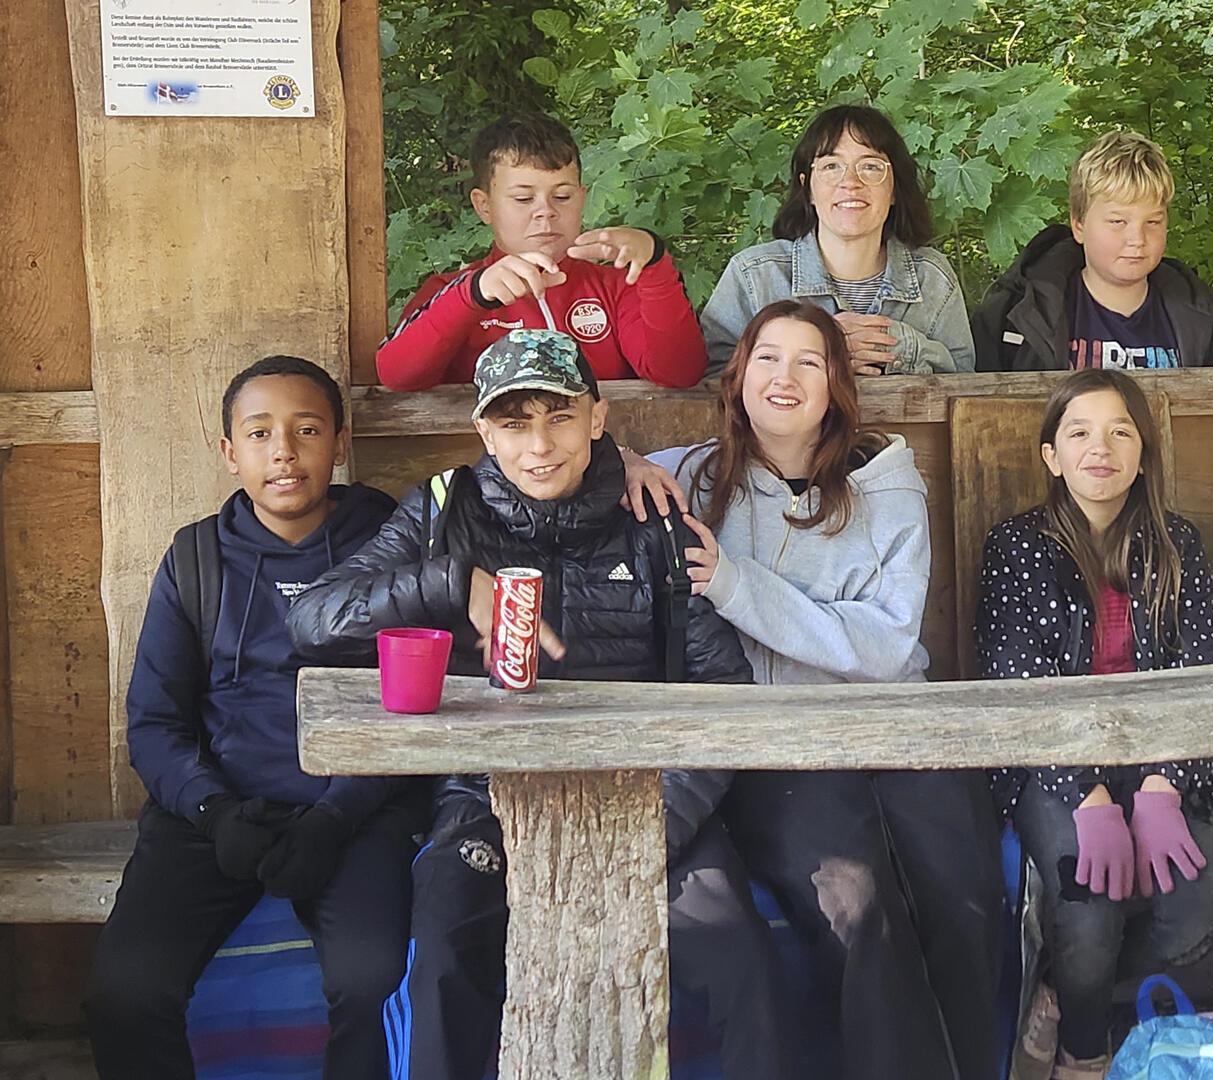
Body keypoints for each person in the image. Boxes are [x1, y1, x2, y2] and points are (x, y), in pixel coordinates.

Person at [288, 330, 793, 1080]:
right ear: (485, 432)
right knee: (444, 960)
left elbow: (721, 689)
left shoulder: (651, 523)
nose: (540, 445)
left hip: (646, 796)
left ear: (596, 419)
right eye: (515, 424)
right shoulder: (442, 509)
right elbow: (311, 621)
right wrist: (450, 583)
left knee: (744, 965)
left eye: (559, 418)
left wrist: (662, 818)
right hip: (484, 797)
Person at [650, 300, 1002, 1079]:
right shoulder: (685, 477)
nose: (785, 377)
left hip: (895, 724)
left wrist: (738, 587)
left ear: (836, 385)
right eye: (767, 358)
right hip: (778, 745)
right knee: (856, 901)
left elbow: (883, 646)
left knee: (966, 896)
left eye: (809, 361)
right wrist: (626, 463)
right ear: (738, 376)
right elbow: (555, 461)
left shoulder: (888, 488)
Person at [87, 356, 419, 1080]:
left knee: (371, 979)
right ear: (229, 451)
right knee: (126, 989)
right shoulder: (197, 558)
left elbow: (420, 706)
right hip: (216, 814)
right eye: (260, 433)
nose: (285, 453)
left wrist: (337, 817)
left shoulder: (391, 545)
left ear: (340, 439)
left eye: (306, 430)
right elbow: (154, 721)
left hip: (352, 810)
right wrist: (213, 811)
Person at [974, 367, 1213, 1080]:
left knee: (1195, 910)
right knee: (1088, 912)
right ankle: (1082, 1057)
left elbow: (1204, 669)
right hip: (1053, 765)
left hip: (1157, 757)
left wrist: (1163, 784)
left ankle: (1059, 992)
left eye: (1121, 431)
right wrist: (1084, 793)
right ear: (1052, 456)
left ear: (1143, 454)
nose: (1102, 448)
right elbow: (1013, 681)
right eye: (1080, 432)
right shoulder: (1017, 549)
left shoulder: (1175, 543)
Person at [377, 111, 707, 390]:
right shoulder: (452, 292)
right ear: (484, 206)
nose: (545, 211)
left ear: (582, 197)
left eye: (561, 196)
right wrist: (473, 295)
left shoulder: (617, 285)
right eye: (523, 198)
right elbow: (395, 375)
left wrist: (654, 263)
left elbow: (679, 373)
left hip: (612, 461)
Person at [700, 105, 975, 377]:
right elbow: (712, 381)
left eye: (870, 166)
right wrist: (815, 351)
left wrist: (900, 346)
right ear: (808, 188)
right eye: (832, 166)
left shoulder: (932, 276)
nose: (850, 182)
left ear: (894, 190)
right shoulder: (754, 276)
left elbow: (966, 385)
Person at [970, 130, 1213, 372]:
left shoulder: (1206, 318)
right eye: (1118, 222)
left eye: (1153, 222)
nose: (1137, 239)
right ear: (1079, 224)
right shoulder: (1016, 317)